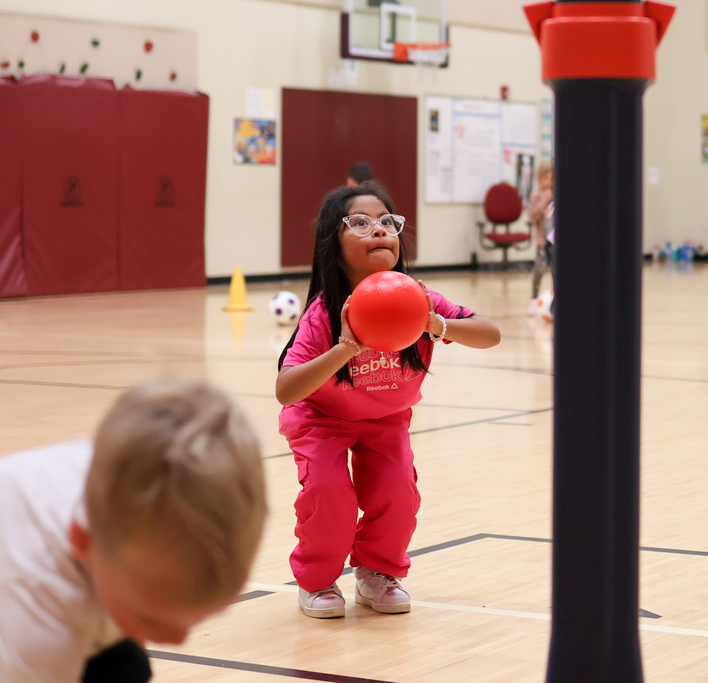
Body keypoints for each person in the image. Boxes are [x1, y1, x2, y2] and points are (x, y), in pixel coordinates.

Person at [275, 182, 501, 619]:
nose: (377, 230)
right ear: (334, 247)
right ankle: (318, 579)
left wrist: (436, 324)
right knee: (329, 492)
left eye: (386, 222)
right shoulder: (325, 311)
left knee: (399, 493)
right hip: (321, 417)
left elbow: (489, 334)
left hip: (385, 417)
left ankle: (376, 573)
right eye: (359, 223)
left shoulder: (421, 302)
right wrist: (344, 349)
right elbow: (287, 389)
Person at [0, 380, 268, 683]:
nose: (175, 641)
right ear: (83, 543)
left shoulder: (134, 491)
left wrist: (141, 618)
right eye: (149, 618)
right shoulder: (40, 621)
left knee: (128, 666)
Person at [527, 160, 554, 302]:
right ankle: (534, 297)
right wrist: (541, 203)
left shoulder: (554, 195)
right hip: (542, 240)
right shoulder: (536, 195)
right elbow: (532, 217)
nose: (548, 182)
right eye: (545, 178)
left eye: (551, 178)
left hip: (553, 240)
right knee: (539, 269)